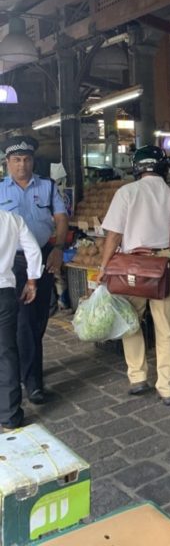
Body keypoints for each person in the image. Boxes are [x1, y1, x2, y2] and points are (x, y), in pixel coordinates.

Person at [99, 145, 170, 405]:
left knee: (130, 321)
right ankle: (167, 387)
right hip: (166, 262)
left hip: (132, 266)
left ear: (136, 168)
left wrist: (104, 266)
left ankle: (138, 377)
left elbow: (114, 235)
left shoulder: (126, 192)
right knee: (165, 327)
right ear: (164, 168)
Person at [0, 136, 68, 405]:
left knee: (37, 320)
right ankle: (31, 382)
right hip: (10, 261)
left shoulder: (48, 186)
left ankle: (23, 368)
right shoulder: (0, 189)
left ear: (33, 161)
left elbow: (61, 218)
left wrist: (59, 247)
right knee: (21, 322)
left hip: (41, 257)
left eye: (27, 159)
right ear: (7, 163)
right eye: (16, 160)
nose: (22, 165)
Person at [0, 210, 42, 430]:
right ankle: (10, 416)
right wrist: (32, 281)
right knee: (6, 353)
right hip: (4, 292)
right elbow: (33, 251)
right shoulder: (11, 219)